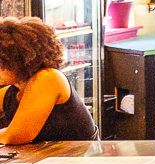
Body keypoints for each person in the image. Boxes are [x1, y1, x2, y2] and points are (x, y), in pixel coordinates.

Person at [0, 16, 96, 144]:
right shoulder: (12, 92)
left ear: (16, 60)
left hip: (81, 161)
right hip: (52, 161)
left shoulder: (48, 78)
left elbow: (15, 135)